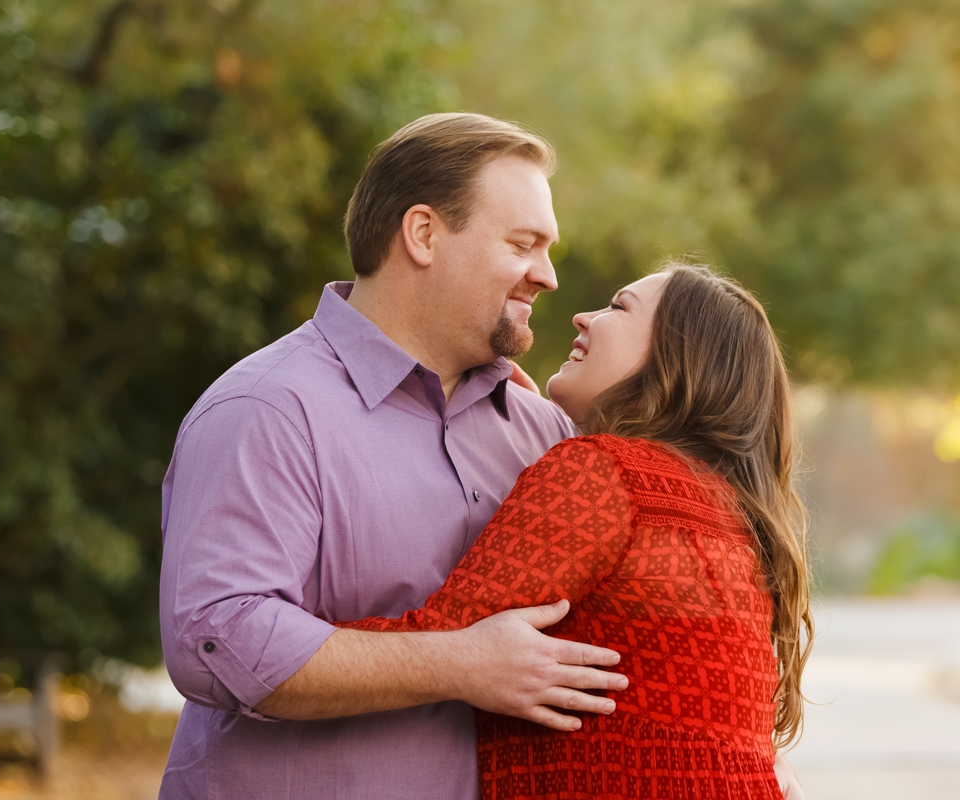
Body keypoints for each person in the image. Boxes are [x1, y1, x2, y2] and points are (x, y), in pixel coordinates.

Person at [158, 113, 628, 799]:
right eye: (523, 244)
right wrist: (460, 664)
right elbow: (220, 639)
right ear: (424, 234)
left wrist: (744, 757)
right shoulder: (268, 409)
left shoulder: (543, 434)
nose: (547, 276)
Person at [341, 262, 814, 799]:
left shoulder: (602, 470)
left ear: (675, 356)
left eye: (618, 308)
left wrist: (282, 646)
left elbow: (444, 642)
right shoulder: (733, 511)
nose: (583, 316)